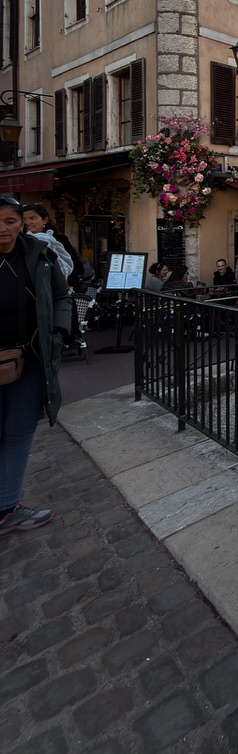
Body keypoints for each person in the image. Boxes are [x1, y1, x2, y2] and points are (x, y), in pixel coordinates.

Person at [0, 196, 72, 536]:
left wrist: (58, 332)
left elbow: (61, 294)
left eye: (11, 221)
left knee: (18, 432)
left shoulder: (39, 253)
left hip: (29, 358)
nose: (3, 229)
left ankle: (6, 506)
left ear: (22, 223)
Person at [22, 204, 81, 291]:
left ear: (44, 220)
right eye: (23, 219)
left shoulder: (58, 240)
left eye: (32, 218)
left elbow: (76, 267)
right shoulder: (18, 241)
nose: (27, 222)